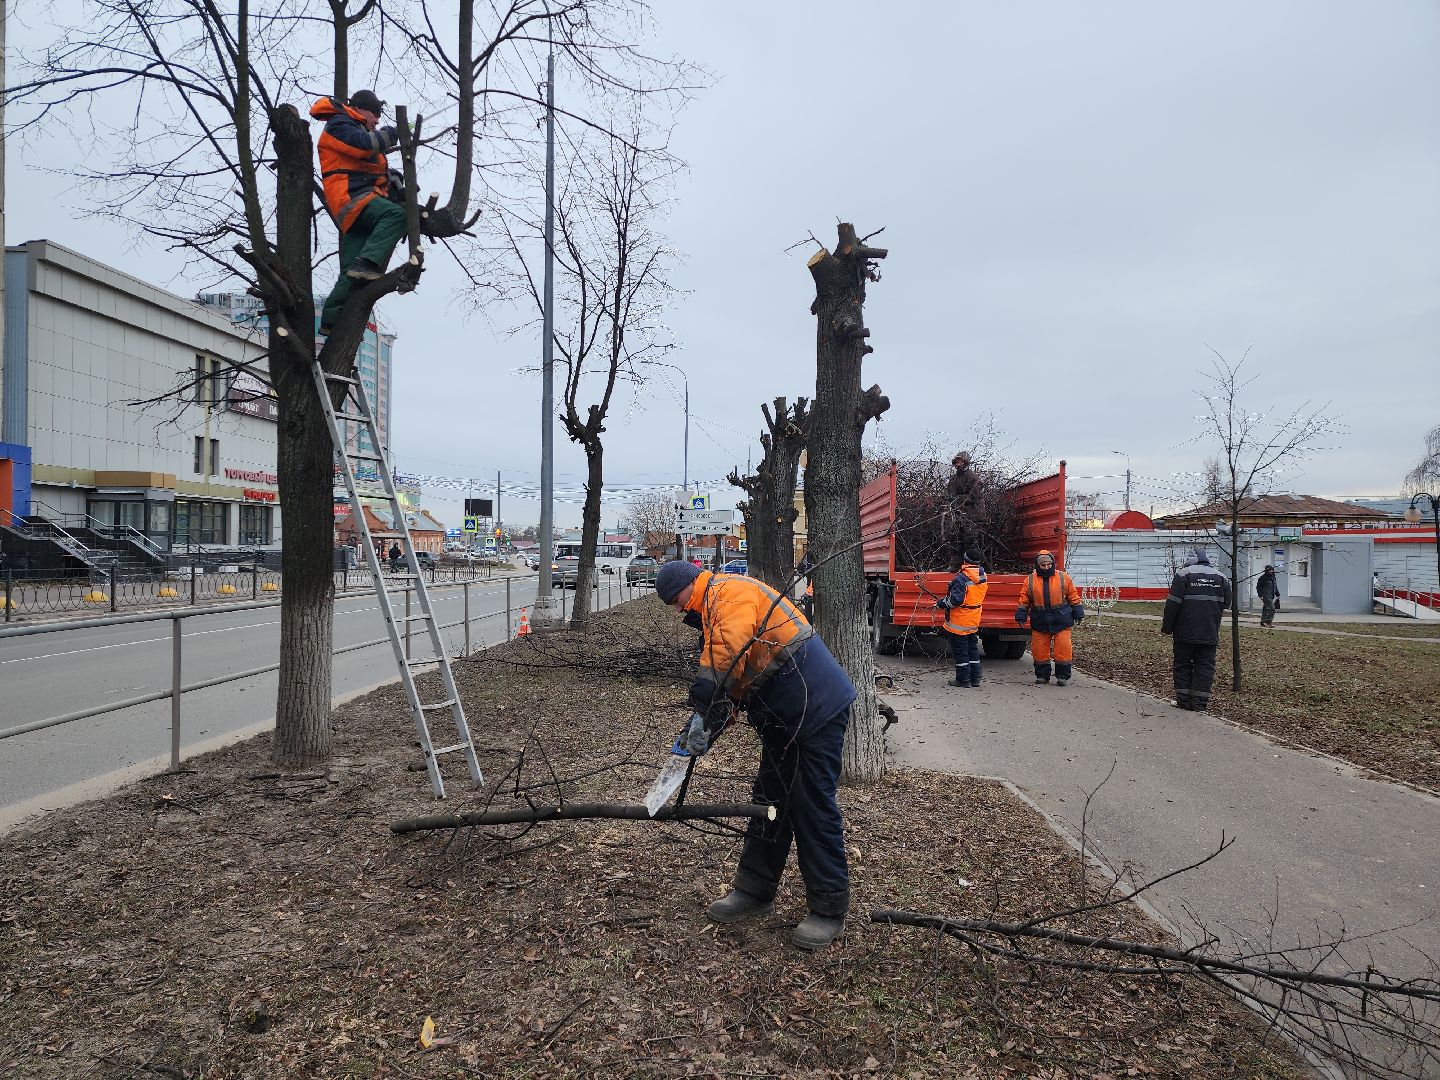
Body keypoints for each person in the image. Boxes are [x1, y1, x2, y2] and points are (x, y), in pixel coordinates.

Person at [655, 559, 857, 951]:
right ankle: (754, 891)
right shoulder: (713, 608)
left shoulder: (728, 595)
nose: (678, 610)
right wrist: (705, 728)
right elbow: (738, 682)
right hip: (782, 717)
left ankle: (828, 910)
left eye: (676, 600)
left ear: (689, 585)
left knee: (812, 806)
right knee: (769, 802)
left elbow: (724, 659)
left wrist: (703, 707)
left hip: (814, 709)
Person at [310, 89, 407, 334]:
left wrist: (391, 177)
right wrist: (390, 134)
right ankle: (368, 263)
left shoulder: (351, 127)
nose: (376, 121)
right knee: (396, 216)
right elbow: (365, 148)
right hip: (352, 198)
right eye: (375, 115)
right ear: (362, 110)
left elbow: (364, 165)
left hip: (355, 203)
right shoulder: (339, 124)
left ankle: (331, 320)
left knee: (351, 272)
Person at [1161, 548, 1231, 712]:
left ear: (1190, 561)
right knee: (1205, 667)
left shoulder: (1183, 575)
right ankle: (1199, 704)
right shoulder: (1221, 577)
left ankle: (1183, 702)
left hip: (1184, 632)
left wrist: (1167, 628)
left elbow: (1172, 605)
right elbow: (1227, 603)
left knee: (1182, 665)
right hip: (1209, 632)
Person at [1015, 549, 1084, 686]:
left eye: (1049, 564)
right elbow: (1024, 600)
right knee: (1039, 651)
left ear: (1053, 563)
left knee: (1063, 649)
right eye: (1043, 565)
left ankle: (1062, 676)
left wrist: (1078, 611)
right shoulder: (1029, 581)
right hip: (1040, 620)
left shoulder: (1063, 577)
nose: (1046, 567)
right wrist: (1021, 615)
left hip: (1061, 619)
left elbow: (1073, 596)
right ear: (1037, 566)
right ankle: (1042, 676)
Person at [936, 551, 988, 688]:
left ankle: (963, 679)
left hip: (959, 621)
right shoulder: (982, 576)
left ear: (965, 562)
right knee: (972, 650)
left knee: (961, 652)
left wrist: (941, 603)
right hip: (973, 619)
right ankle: (975, 678)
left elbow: (956, 600)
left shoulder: (961, 579)